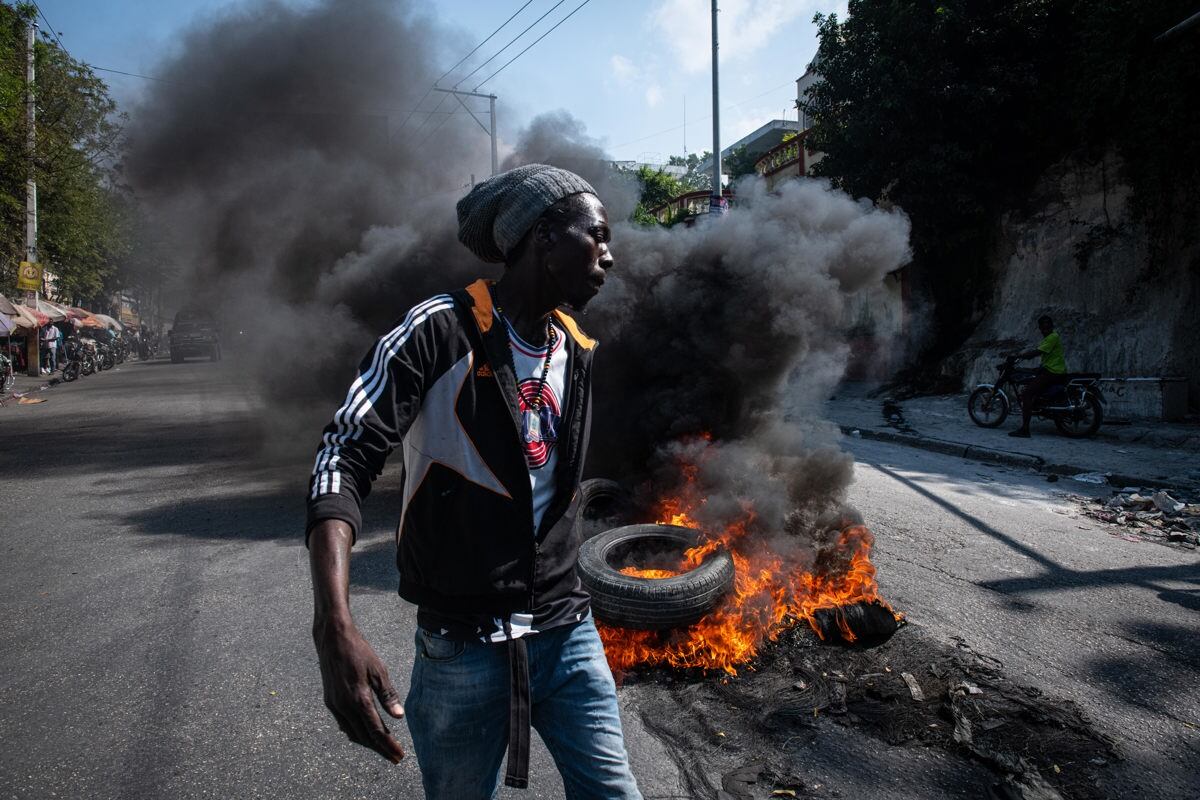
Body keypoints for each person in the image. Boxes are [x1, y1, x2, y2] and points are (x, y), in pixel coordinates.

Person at [304, 164, 641, 799]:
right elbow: (344, 456)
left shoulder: (577, 348)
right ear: (544, 236)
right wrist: (333, 624)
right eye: (596, 236)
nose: (608, 255)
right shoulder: (439, 329)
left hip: (567, 631)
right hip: (464, 648)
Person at [1009, 314, 1068, 438]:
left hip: (1053, 372)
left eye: (1047, 326)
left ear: (1052, 326)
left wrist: (1020, 356)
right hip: (1051, 370)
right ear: (1040, 328)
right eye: (1043, 327)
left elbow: (1038, 352)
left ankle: (1025, 429)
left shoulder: (1053, 337)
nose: (1045, 329)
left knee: (1027, 394)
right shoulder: (1050, 337)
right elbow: (1048, 356)